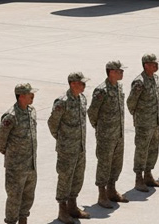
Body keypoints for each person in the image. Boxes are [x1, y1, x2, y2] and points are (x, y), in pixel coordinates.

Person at [48, 72, 90, 222]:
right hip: (67, 149)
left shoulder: (82, 99)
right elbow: (52, 124)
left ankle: (73, 206)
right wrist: (63, 140)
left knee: (78, 177)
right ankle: (62, 210)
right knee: (65, 178)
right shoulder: (62, 102)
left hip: (80, 147)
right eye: (81, 83)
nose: (84, 85)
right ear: (73, 84)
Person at [0, 83, 37, 224]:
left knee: (28, 196)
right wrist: (12, 157)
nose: (33, 96)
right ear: (20, 96)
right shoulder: (10, 117)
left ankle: (23, 220)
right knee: (14, 199)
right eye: (29, 94)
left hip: (31, 165)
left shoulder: (31, 111)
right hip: (16, 168)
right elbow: (0, 140)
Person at [87, 61, 127, 208]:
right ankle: (102, 194)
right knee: (104, 163)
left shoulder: (118, 87)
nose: (122, 73)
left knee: (116, 163)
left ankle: (112, 190)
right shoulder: (101, 91)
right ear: (111, 72)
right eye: (119, 71)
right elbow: (92, 112)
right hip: (106, 135)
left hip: (119, 133)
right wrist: (100, 128)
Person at [126, 54, 159, 192]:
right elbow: (131, 102)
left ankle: (148, 175)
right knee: (142, 149)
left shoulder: (155, 78)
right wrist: (139, 117)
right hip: (144, 123)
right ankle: (138, 178)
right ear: (146, 65)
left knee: (153, 148)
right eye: (153, 64)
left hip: (155, 121)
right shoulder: (139, 82)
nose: (156, 66)